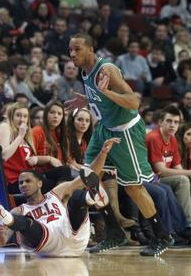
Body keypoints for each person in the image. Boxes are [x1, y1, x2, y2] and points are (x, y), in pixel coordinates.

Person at [66, 33, 171, 256]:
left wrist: (105, 92)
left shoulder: (107, 70)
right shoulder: (84, 71)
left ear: (91, 49)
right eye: (70, 50)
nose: (72, 54)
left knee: (133, 187)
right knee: (89, 176)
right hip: (104, 128)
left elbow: (134, 101)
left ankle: (162, 235)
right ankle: (114, 233)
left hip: (126, 131)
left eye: (77, 49)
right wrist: (88, 99)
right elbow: (102, 97)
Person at [0, 138, 120, 257]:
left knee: (76, 195)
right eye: (20, 183)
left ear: (40, 183)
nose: (23, 185)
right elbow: (0, 243)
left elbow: (88, 175)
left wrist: (103, 153)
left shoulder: (56, 193)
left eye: (28, 181)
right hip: (47, 243)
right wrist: (0, 234)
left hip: (73, 235)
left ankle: (90, 196)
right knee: (26, 222)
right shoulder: (18, 210)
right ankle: (4, 216)